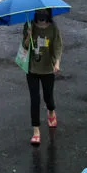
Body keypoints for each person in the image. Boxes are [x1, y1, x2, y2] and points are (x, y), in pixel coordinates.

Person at [22, 8, 63, 146]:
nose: (41, 15)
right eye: (39, 12)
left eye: (44, 12)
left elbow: (57, 46)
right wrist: (28, 35)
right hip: (32, 69)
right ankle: (36, 131)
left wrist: (57, 62)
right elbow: (25, 46)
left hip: (47, 70)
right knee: (35, 99)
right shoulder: (29, 25)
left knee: (48, 98)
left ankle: (51, 112)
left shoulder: (53, 28)